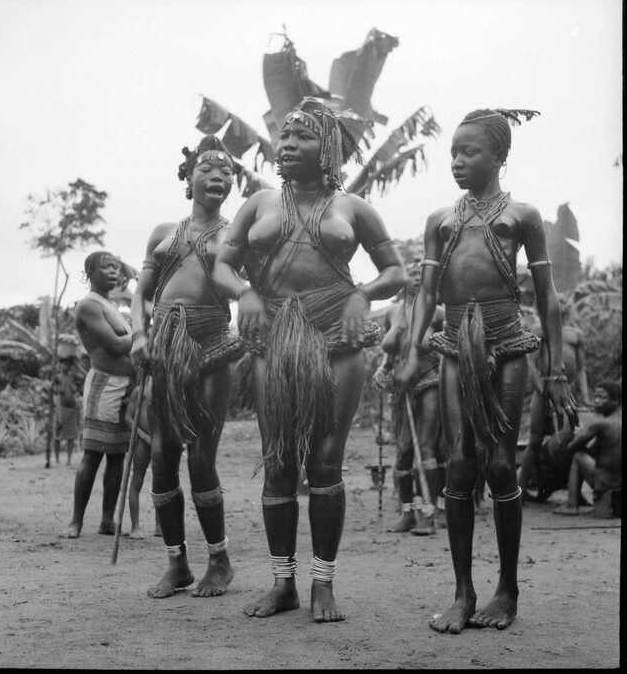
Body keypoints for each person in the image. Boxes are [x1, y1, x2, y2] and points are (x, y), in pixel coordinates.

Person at [213, 97, 406, 623]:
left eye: (302, 137)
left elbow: (396, 272)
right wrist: (245, 295)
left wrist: (362, 295)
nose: (288, 144)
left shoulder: (354, 208)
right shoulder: (257, 203)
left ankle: (323, 583)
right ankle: (283, 583)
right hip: (273, 337)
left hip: (333, 337)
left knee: (323, 460)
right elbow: (223, 267)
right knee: (278, 461)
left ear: (329, 147)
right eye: (285, 136)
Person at [394, 108, 579, 633]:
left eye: (468, 152)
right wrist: (412, 354)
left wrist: (557, 367)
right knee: (459, 463)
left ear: (499, 157)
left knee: (499, 464)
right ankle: (462, 592)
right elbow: (428, 292)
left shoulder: (520, 216)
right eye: (452, 152)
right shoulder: (441, 221)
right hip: (455, 345)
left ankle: (507, 590)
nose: (456, 161)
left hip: (508, 343)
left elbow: (546, 295)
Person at [130, 135, 244, 599]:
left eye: (227, 172)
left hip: (213, 347)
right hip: (163, 349)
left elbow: (247, 286)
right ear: (188, 177)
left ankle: (219, 560)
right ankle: (176, 562)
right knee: (161, 456)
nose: (218, 175)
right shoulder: (162, 233)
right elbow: (141, 295)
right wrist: (139, 335)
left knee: (200, 457)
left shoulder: (237, 234)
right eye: (208, 168)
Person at [60, 252, 135, 539]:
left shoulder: (112, 304)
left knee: (117, 456)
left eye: (116, 266)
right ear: (91, 271)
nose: (114, 272)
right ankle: (76, 521)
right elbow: (117, 346)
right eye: (106, 267)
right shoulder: (89, 305)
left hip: (124, 385)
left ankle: (107, 520)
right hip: (104, 385)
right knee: (93, 454)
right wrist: (141, 331)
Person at [373, 260, 446, 535]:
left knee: (425, 446)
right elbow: (391, 351)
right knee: (403, 452)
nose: (416, 278)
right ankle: (407, 514)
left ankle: (430, 513)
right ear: (403, 280)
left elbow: (448, 348)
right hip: (400, 389)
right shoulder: (392, 313)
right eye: (412, 274)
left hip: (429, 382)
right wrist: (383, 368)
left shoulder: (437, 313)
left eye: (420, 274)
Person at [518, 294, 591, 500]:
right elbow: (531, 365)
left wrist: (584, 395)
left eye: (563, 303)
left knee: (573, 440)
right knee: (534, 440)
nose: (561, 307)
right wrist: (543, 392)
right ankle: (520, 490)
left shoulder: (576, 334)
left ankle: (574, 493)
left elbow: (582, 369)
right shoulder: (540, 330)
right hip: (543, 390)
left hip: (570, 393)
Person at [553, 380, 621, 516]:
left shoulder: (601, 423)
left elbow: (572, 446)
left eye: (602, 397)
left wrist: (574, 441)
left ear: (616, 400)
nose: (596, 401)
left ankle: (571, 505)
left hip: (607, 481)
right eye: (595, 397)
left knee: (578, 456)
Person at [122, 381, 161, 539]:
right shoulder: (139, 390)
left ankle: (159, 525)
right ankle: (135, 526)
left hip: (159, 441)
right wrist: (144, 437)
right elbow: (128, 418)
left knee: (160, 482)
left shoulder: (163, 387)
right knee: (137, 480)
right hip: (143, 441)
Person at [54, 356, 81, 466]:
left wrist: (76, 366)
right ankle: (56, 459)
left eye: (67, 364)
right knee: (58, 434)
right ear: (60, 365)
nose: (65, 366)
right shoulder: (57, 377)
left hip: (72, 408)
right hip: (61, 407)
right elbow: (56, 390)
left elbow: (83, 376)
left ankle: (69, 459)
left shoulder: (73, 376)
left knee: (71, 435)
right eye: (63, 364)